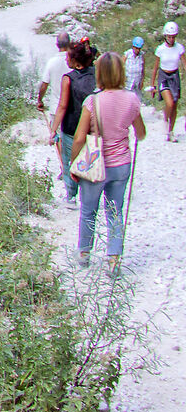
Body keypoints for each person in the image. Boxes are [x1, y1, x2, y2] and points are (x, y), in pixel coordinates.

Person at [75, 51, 147, 272]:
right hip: (121, 164)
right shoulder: (132, 99)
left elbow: (79, 138)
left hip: (95, 164)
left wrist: (74, 165)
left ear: (100, 74)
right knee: (115, 211)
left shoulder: (92, 101)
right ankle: (113, 259)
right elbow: (141, 133)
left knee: (88, 210)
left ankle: (85, 254)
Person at [48, 42, 97, 205]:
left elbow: (62, 105)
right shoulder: (95, 74)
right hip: (92, 127)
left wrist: (53, 130)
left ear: (75, 61)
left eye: (68, 57)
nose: (66, 60)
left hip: (71, 128)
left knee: (70, 161)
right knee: (89, 159)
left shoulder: (68, 79)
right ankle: (89, 194)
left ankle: (71, 195)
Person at [161, 24, 186, 143]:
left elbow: (184, 63)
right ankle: (166, 122)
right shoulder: (160, 49)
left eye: (173, 37)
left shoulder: (179, 48)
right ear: (165, 36)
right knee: (170, 103)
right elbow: (156, 67)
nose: (171, 39)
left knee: (174, 105)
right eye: (169, 37)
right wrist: (153, 85)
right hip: (164, 76)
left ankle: (171, 131)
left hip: (175, 76)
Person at [38, 34, 73, 113]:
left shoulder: (51, 62)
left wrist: (40, 100)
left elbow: (44, 85)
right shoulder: (74, 61)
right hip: (72, 109)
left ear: (57, 45)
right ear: (69, 43)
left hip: (56, 108)